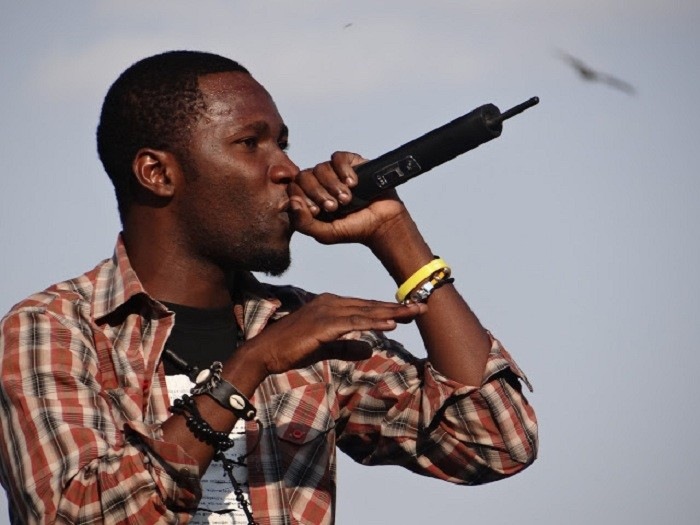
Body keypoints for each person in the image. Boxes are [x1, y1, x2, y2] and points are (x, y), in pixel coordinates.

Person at [0, 50, 538, 525]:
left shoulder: (300, 326)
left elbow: (493, 441)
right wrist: (249, 368)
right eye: (250, 143)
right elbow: (80, 514)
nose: (287, 169)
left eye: (283, 144)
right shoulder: (55, 329)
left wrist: (395, 235)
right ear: (157, 173)